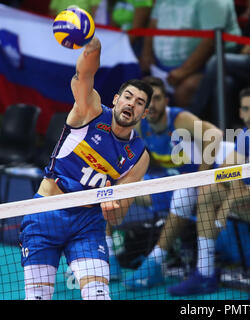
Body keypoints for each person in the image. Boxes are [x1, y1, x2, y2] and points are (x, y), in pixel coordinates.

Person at [18, 36, 152, 300]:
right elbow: (84, 73)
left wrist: (113, 208)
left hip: (87, 225)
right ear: (115, 99)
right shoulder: (88, 111)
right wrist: (92, 44)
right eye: (127, 97)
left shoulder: (139, 156)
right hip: (46, 212)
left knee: (99, 296)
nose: (131, 104)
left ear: (144, 114)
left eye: (139, 103)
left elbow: (118, 217)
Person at [167, 86, 250, 299]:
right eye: (245, 109)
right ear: (239, 112)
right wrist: (235, 192)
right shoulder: (245, 135)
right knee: (208, 192)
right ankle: (205, 272)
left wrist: (232, 201)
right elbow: (225, 172)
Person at [121, 76, 224, 290]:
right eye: (147, 101)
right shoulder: (140, 127)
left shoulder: (179, 120)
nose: (153, 105)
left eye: (157, 99)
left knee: (183, 192)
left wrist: (201, 175)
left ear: (166, 101)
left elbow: (215, 133)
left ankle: (155, 262)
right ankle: (110, 257)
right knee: (116, 187)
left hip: (207, 181)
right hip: (174, 180)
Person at [189, 0, 250, 128]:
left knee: (217, 61)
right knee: (225, 82)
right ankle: (223, 133)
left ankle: (193, 117)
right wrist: (247, 47)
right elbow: (246, 37)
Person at [138, 0, 241, 108]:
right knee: (139, 86)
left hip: (206, 66)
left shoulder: (212, 2)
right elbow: (153, 24)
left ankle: (186, 124)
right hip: (161, 67)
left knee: (186, 89)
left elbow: (211, 41)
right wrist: (147, 54)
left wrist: (183, 71)